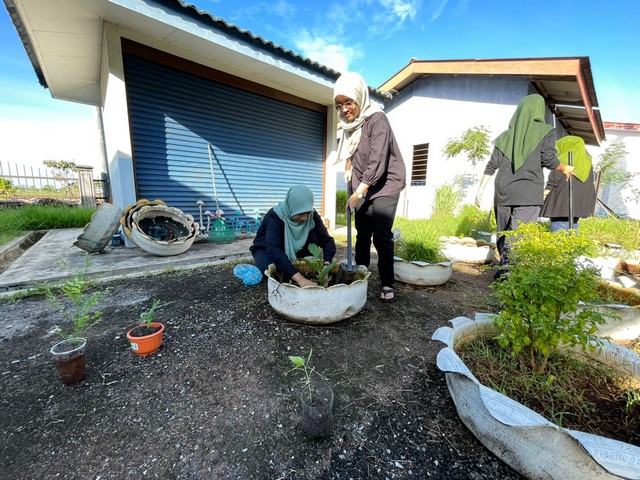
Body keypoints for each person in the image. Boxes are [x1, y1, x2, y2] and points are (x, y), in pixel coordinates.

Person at [475, 94, 575, 277]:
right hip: (528, 194)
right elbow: (549, 160)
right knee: (519, 234)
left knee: (503, 232)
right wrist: (564, 168)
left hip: (503, 193)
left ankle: (504, 269)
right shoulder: (545, 132)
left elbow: (491, 165)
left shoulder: (505, 137)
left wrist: (480, 191)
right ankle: (507, 273)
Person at [333, 71, 406, 302]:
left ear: (359, 97)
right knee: (362, 232)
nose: (344, 109)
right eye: (339, 105)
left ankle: (387, 282)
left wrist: (357, 193)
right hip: (363, 181)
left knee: (381, 235)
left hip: (386, 183)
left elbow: (377, 160)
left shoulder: (377, 119)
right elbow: (351, 149)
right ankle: (361, 275)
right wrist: (348, 166)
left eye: (348, 102)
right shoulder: (350, 124)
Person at [250, 185, 336, 287]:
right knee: (270, 269)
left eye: (307, 213)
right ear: (292, 207)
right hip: (266, 247)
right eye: (300, 213)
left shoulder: (312, 215)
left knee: (315, 236)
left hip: (293, 248)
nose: (304, 218)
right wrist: (300, 280)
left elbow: (327, 240)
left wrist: (326, 267)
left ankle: (294, 264)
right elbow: (273, 249)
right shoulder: (275, 216)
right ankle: (292, 268)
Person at [541, 135, 597, 232]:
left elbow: (553, 180)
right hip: (579, 203)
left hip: (562, 201)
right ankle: (572, 240)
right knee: (573, 224)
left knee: (559, 225)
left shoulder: (564, 160)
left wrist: (544, 194)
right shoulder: (587, 163)